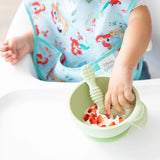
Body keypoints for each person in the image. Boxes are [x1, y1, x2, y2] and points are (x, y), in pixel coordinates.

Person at [0, 0, 152, 115]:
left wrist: (124, 66)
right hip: (68, 83)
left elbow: (140, 17)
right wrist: (29, 40)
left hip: (122, 78)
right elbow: (56, 28)